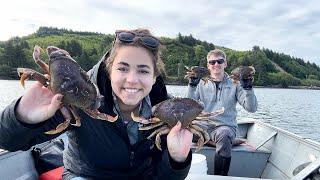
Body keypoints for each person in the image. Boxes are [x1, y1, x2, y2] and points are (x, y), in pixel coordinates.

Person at [0, 29, 193, 179]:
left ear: (154, 77)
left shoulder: (166, 111)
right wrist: (21, 118)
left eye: (143, 71)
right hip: (84, 175)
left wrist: (177, 160)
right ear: (110, 71)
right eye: (122, 68)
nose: (132, 80)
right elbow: (7, 140)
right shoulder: (79, 98)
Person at [187, 49, 257, 176]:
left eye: (220, 61)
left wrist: (248, 88)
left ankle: (220, 177)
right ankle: (221, 141)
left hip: (224, 126)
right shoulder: (200, 82)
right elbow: (188, 106)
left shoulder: (236, 83)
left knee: (224, 135)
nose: (216, 64)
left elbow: (251, 108)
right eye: (212, 62)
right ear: (208, 65)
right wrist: (192, 86)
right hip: (203, 125)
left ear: (225, 63)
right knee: (181, 129)